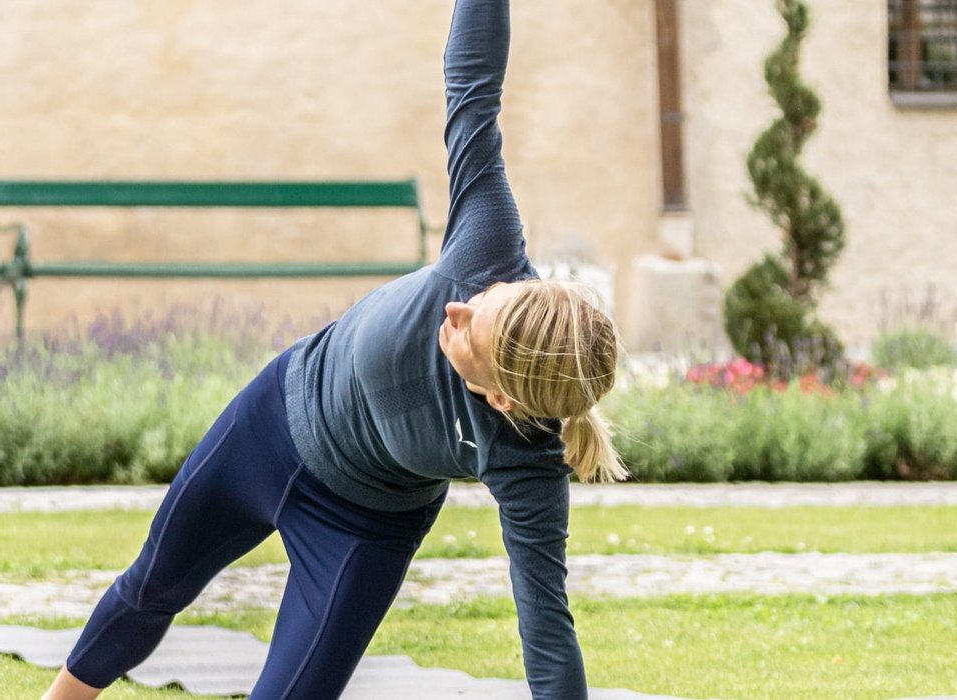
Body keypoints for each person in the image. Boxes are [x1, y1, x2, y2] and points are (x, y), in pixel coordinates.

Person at [38, 0, 624, 697]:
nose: (459, 308)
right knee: (150, 587)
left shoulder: (528, 465)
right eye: (485, 300)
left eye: (474, 331)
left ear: (500, 397)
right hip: (271, 423)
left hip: (362, 525)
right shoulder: (488, 246)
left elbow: (546, 631)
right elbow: (473, 87)